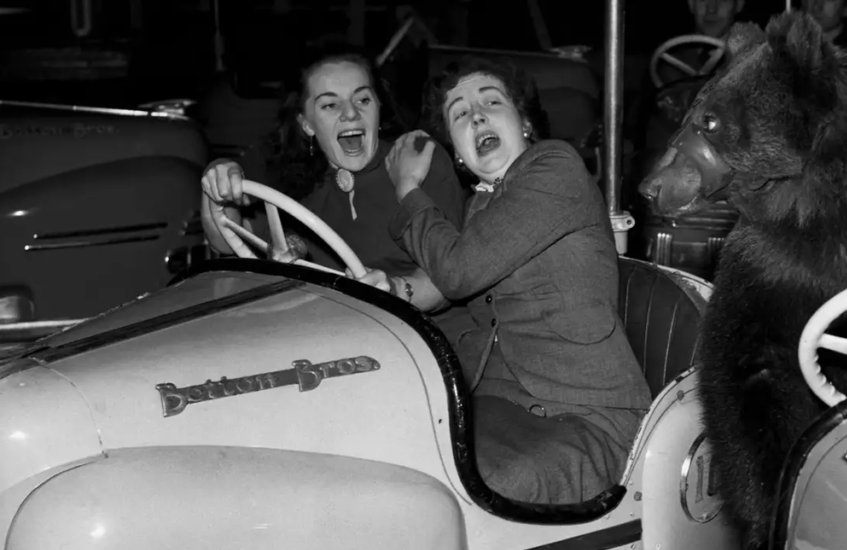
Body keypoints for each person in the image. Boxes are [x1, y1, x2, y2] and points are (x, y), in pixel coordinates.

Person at [376, 56, 652, 504]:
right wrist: (391, 289)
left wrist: (407, 188)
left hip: (583, 412)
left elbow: (458, 271)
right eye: (460, 114)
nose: (476, 116)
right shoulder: (481, 206)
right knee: (394, 460)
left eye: (491, 102)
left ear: (524, 122)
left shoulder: (555, 167)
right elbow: (446, 284)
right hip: (498, 404)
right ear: (459, 154)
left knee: (456, 493)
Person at [199, 46, 469, 313]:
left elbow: (448, 278)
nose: (350, 113)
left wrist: (395, 290)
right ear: (306, 124)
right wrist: (217, 177)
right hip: (327, 328)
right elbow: (225, 239)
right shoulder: (295, 183)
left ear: (379, 107)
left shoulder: (417, 156)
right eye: (330, 105)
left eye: (363, 100)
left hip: (419, 331)